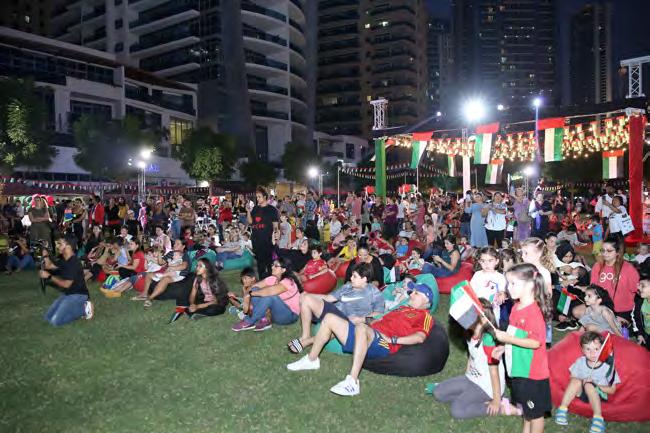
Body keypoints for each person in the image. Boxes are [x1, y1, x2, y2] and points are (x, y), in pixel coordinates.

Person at [287, 284, 435, 397]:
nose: (411, 295)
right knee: (330, 318)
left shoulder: (425, 316)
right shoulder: (401, 309)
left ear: (426, 299)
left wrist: (393, 339)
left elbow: (420, 337)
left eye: (416, 293)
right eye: (412, 292)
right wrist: (363, 319)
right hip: (368, 332)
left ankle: (353, 381)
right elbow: (378, 320)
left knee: (361, 328)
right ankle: (312, 360)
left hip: (383, 343)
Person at [433, 298, 518, 419]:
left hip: (487, 386)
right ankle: (473, 400)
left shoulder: (488, 341)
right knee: (438, 392)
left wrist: (496, 401)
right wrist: (467, 375)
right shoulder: (470, 333)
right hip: (472, 379)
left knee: (457, 410)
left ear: (483, 319)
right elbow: (471, 356)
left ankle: (502, 407)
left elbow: (494, 372)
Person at [492, 263, 552, 433]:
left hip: (532, 373)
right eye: (508, 283)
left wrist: (507, 339)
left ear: (530, 285)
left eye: (513, 283)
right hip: (519, 368)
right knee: (526, 409)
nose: (508, 288)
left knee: (536, 414)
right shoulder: (516, 307)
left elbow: (535, 343)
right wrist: (504, 347)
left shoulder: (534, 313)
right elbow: (516, 334)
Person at [287, 263, 384, 354]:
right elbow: (329, 298)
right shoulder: (348, 286)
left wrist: (361, 319)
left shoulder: (373, 292)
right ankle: (305, 336)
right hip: (336, 311)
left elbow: (379, 313)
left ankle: (306, 342)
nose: (351, 278)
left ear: (364, 279)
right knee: (306, 298)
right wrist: (308, 295)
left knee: (336, 321)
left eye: (354, 276)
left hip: (350, 321)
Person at [554, 332, 620, 433]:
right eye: (588, 349)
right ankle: (562, 409)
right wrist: (581, 380)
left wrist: (596, 384)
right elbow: (572, 377)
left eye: (596, 349)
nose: (592, 353)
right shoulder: (580, 361)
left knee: (589, 385)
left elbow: (612, 390)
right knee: (576, 380)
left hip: (599, 394)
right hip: (583, 393)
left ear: (602, 349)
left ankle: (598, 419)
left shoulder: (607, 367)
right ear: (583, 350)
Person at [577, 236, 639, 324]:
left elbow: (638, 290)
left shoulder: (629, 269)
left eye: (609, 251)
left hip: (622, 310)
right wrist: (581, 288)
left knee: (603, 325)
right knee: (577, 311)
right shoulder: (597, 266)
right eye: (603, 250)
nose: (605, 253)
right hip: (601, 306)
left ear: (618, 252)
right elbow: (594, 288)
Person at [231, 257, 301, 331]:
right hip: (273, 314)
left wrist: (250, 294)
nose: (272, 267)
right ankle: (264, 320)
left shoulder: (288, 282)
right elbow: (253, 287)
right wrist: (246, 293)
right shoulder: (273, 278)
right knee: (255, 289)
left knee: (270, 297)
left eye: (276, 266)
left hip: (289, 316)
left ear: (283, 270)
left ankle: (250, 321)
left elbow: (269, 291)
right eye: (272, 265)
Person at [39, 235, 94, 326]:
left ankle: (84, 309)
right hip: (68, 293)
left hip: (78, 295)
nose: (57, 246)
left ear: (68, 247)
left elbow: (66, 284)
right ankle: (76, 309)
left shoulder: (73, 263)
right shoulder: (64, 260)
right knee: (47, 317)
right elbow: (48, 266)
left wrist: (49, 277)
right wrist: (44, 251)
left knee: (55, 321)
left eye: (60, 244)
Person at [248, 187, 280, 278]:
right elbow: (250, 222)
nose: (257, 199)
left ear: (265, 197)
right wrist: (248, 211)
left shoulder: (272, 209)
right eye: (257, 197)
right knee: (260, 263)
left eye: (259, 197)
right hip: (256, 239)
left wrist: (276, 236)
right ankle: (262, 280)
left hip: (268, 240)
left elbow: (275, 225)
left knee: (270, 263)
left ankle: (272, 280)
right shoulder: (255, 209)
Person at [470, 247, 507, 318]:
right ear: (479, 261)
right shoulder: (477, 275)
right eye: (483, 261)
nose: (486, 264)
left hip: (493, 310)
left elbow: (503, 291)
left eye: (490, 260)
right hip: (478, 308)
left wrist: (502, 294)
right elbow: (471, 290)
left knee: (493, 324)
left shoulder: (500, 277)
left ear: (497, 261)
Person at [632, 277, 650, 350]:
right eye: (639, 285)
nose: (638, 288)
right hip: (647, 335)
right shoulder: (640, 302)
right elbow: (635, 318)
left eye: (643, 285)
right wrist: (640, 333)